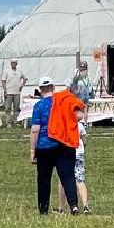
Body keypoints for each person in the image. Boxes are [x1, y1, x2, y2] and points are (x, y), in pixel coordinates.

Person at [29, 78, 81, 216]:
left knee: (44, 179)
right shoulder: (63, 102)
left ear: (40, 90)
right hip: (64, 143)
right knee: (68, 176)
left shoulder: (39, 106)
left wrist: (32, 150)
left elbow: (35, 129)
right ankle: (73, 205)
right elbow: (78, 115)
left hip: (45, 146)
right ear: (53, 87)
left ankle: (43, 209)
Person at [74, 121, 91, 213]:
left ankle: (65, 206)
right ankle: (85, 204)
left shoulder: (65, 124)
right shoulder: (80, 125)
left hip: (67, 154)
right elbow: (84, 140)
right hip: (79, 153)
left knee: (64, 181)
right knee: (80, 180)